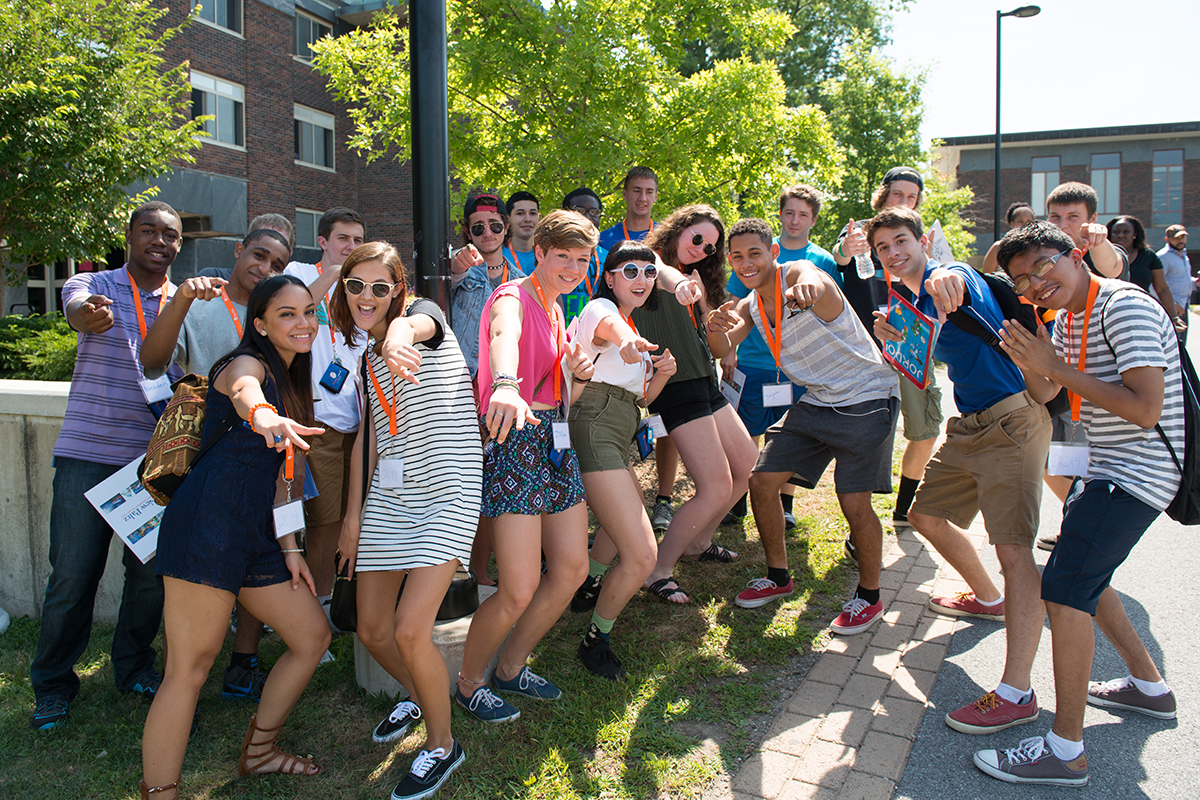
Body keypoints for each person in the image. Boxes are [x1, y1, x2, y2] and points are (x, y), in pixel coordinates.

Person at [974, 221, 1182, 786]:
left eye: (1043, 267)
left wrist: (1057, 367)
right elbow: (1047, 393)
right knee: (1087, 578)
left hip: (1139, 470)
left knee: (1065, 590)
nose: (1036, 284)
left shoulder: (1123, 305)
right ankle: (1148, 687)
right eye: (1022, 280)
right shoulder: (1065, 319)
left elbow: (1144, 410)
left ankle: (1066, 751)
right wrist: (1026, 357)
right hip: (1102, 470)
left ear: (1076, 253)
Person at [140, 275, 330, 799]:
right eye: (286, 314)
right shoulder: (246, 365)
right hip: (207, 526)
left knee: (311, 638)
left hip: (257, 537)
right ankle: (159, 792)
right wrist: (265, 415)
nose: (302, 323)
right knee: (189, 669)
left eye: (308, 312)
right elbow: (247, 395)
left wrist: (291, 550)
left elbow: (284, 481)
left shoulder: (294, 381)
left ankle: (260, 751)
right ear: (261, 324)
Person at [867, 206, 1055, 736]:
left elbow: (957, 280)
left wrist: (947, 278)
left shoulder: (951, 275)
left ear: (923, 238)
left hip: (1014, 420)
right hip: (969, 424)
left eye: (902, 241)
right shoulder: (905, 299)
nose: (894, 253)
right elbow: (921, 371)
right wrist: (894, 339)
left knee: (1015, 553)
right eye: (883, 248)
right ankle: (988, 599)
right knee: (925, 515)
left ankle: (1017, 692)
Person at [30, 201, 184, 731]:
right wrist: (84, 315)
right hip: (86, 457)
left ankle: (134, 666)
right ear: (128, 237)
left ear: (179, 246)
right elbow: (76, 308)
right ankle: (52, 684)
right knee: (72, 576)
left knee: (147, 580)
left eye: (170, 235)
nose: (159, 241)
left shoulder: (180, 301)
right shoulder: (92, 284)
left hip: (151, 464)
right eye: (149, 231)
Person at [333, 242, 478, 799]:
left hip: (448, 492)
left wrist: (396, 336)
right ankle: (420, 695)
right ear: (344, 290)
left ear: (398, 289)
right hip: (390, 499)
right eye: (356, 286)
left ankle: (443, 744)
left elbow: (413, 328)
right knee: (371, 629)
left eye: (379, 286)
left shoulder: (427, 318)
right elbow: (365, 443)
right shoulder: (366, 359)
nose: (367, 296)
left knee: (410, 629)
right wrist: (351, 519)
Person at [707, 219, 899, 632]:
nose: (745, 263)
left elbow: (812, 279)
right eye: (736, 256)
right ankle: (778, 577)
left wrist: (811, 284)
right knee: (761, 481)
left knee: (853, 502)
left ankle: (870, 597)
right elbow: (722, 346)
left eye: (754, 253)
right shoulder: (748, 304)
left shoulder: (797, 275)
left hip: (867, 395)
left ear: (774, 252)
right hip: (818, 399)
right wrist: (714, 329)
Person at [454, 210, 597, 723]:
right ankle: (469, 684)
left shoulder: (557, 309)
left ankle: (510, 668)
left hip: (554, 443)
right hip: (513, 440)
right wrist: (508, 385)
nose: (573, 268)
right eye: (563, 257)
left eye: (582, 260)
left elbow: (565, 398)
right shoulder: (513, 297)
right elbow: (502, 339)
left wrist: (577, 374)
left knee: (572, 569)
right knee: (517, 587)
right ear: (538, 252)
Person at [139, 227, 291, 701]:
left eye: (277, 264)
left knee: (258, 557)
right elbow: (152, 363)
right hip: (210, 464)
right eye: (258, 255)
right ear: (237, 251)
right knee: (191, 593)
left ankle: (242, 664)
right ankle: (180, 688)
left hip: (262, 466)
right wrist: (183, 296)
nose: (264, 268)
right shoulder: (203, 301)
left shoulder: (281, 315)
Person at [587, 205, 758, 605]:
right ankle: (658, 570)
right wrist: (680, 284)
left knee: (748, 467)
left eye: (711, 246)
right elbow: (664, 272)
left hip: (705, 379)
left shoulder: (703, 279)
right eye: (697, 238)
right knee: (715, 485)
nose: (703, 248)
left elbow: (717, 347)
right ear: (679, 228)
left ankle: (698, 540)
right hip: (674, 386)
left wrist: (711, 321)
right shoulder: (648, 268)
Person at [567, 241, 676, 679]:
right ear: (610, 277)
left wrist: (662, 374)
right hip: (593, 426)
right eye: (630, 271)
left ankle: (588, 586)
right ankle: (596, 640)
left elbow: (644, 398)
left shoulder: (631, 324)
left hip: (620, 427)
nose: (642, 280)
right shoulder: (600, 310)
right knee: (643, 555)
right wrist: (631, 342)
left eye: (650, 273)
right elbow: (614, 329)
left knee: (617, 532)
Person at [721, 185, 839, 528]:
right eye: (789, 212)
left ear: (813, 220)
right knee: (747, 432)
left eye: (803, 214)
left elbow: (832, 309)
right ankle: (739, 500)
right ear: (780, 215)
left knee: (789, 435)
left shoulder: (821, 260)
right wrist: (729, 350)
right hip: (755, 362)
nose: (795, 220)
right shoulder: (751, 254)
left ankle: (785, 505)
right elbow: (733, 305)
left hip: (798, 367)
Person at [834, 166, 942, 533]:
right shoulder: (862, 231)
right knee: (870, 436)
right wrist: (846, 249)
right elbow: (841, 256)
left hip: (913, 347)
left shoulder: (920, 236)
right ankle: (858, 523)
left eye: (912, 197)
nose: (905, 201)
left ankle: (904, 508)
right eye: (898, 194)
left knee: (925, 431)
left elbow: (943, 271)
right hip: (866, 351)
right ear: (882, 195)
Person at [284, 207, 367, 626]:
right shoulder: (300, 272)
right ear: (323, 241)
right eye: (343, 239)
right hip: (319, 424)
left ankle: (338, 603)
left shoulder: (362, 286)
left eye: (357, 240)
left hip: (362, 425)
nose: (351, 247)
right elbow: (295, 310)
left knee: (353, 521)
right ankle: (314, 614)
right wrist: (332, 274)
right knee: (322, 525)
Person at [451, 190, 525, 382]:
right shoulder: (460, 266)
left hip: (502, 380)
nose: (488, 233)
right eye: (478, 228)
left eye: (495, 226)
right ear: (467, 231)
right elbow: (453, 271)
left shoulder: (521, 282)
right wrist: (458, 262)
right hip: (462, 383)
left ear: (506, 227)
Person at [1045, 182, 1126, 281]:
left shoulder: (1102, 251)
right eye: (1055, 216)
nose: (1062, 225)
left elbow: (1112, 269)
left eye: (1073, 216)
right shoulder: (1040, 254)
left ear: (1092, 219)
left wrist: (1098, 241)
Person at [1107, 215, 1178, 319]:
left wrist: (1174, 317)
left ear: (1135, 234)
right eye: (1116, 232)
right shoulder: (1097, 256)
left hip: (1140, 312)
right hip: (1107, 313)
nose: (1121, 235)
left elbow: (1162, 289)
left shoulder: (1148, 256)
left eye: (1126, 232)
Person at [559, 187, 610, 324]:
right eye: (580, 211)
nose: (587, 217)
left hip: (598, 334)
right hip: (560, 334)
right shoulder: (554, 255)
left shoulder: (610, 258)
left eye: (593, 212)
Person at [198, 213, 295, 281]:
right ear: (241, 248)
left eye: (281, 244)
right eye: (259, 255)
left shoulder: (283, 298)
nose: (265, 269)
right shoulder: (212, 279)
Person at [598, 166, 659, 251]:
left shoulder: (666, 238)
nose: (643, 198)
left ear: (655, 197)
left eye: (649, 192)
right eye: (637, 191)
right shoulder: (603, 241)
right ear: (624, 194)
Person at [1157, 224, 1191, 344]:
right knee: (1173, 346)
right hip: (1172, 308)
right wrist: (1172, 304)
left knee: (1182, 345)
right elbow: (1155, 284)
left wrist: (1194, 281)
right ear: (1167, 239)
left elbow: (1178, 278)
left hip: (1184, 306)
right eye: (1176, 238)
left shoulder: (1184, 255)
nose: (1180, 240)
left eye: (1182, 237)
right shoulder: (1163, 256)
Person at [981, 202, 1036, 273]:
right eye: (1020, 221)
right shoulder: (998, 248)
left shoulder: (1037, 249)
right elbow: (986, 279)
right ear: (1012, 224)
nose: (1025, 225)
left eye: (1029, 221)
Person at [506, 191, 541, 273]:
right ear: (508, 219)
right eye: (520, 213)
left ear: (539, 218)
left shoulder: (547, 255)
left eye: (532, 213)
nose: (527, 219)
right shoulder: (498, 256)